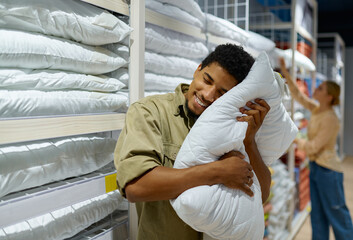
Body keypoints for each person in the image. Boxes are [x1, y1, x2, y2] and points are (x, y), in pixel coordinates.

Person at [114, 44, 272, 240]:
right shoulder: (151, 112)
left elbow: (260, 195)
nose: (207, 95)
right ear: (198, 69)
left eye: (222, 93)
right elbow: (135, 187)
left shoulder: (233, 126)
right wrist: (218, 172)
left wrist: (249, 141)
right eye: (207, 80)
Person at [280, 58, 353, 240]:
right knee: (318, 216)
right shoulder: (317, 108)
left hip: (328, 171)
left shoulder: (330, 118)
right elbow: (298, 96)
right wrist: (285, 71)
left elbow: (313, 147)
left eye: (320, 89)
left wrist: (295, 138)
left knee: (337, 214)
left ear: (329, 97)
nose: (316, 89)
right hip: (316, 168)